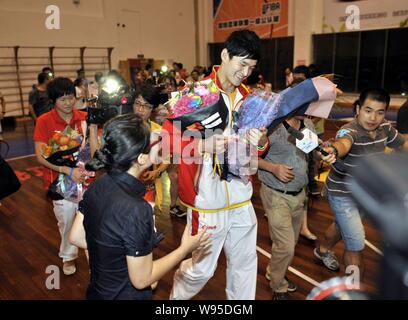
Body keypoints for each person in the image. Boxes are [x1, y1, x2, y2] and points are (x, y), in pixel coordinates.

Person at [163, 29, 269, 300]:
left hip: (242, 198)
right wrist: (200, 146)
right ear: (225, 55)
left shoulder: (251, 99)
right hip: (206, 201)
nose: (245, 72)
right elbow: (165, 141)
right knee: (201, 270)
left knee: (246, 266)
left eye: (252, 67)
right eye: (241, 64)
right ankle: (175, 301)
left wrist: (260, 141)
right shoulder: (195, 94)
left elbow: (261, 148)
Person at [69, 114, 209, 300]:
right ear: (142, 158)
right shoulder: (137, 209)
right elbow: (142, 281)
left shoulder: (97, 185)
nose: (158, 140)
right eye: (152, 139)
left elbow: (77, 237)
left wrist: (121, 261)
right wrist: (184, 249)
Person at [317, 88, 408, 276]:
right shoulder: (350, 131)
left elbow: (402, 143)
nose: (373, 117)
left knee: (342, 227)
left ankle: (322, 250)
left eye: (380, 112)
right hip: (342, 194)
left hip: (363, 191)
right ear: (358, 109)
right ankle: (354, 287)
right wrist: (334, 150)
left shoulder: (385, 128)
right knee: (356, 244)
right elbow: (343, 143)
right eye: (368, 110)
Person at [33, 77, 88, 276]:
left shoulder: (84, 117)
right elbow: (41, 155)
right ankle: (68, 256)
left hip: (85, 177)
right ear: (53, 100)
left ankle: (93, 255)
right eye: (62, 99)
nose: (67, 103)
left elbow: (93, 147)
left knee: (90, 220)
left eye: (71, 98)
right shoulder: (44, 121)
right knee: (66, 221)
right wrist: (66, 171)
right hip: (60, 182)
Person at [258, 115, 315, 300]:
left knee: (290, 244)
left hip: (299, 194)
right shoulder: (271, 126)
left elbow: (311, 151)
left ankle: (274, 272)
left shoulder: (309, 123)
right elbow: (247, 157)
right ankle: (278, 286)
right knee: (286, 246)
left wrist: (325, 151)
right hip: (275, 195)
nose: (306, 108)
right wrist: (273, 168)